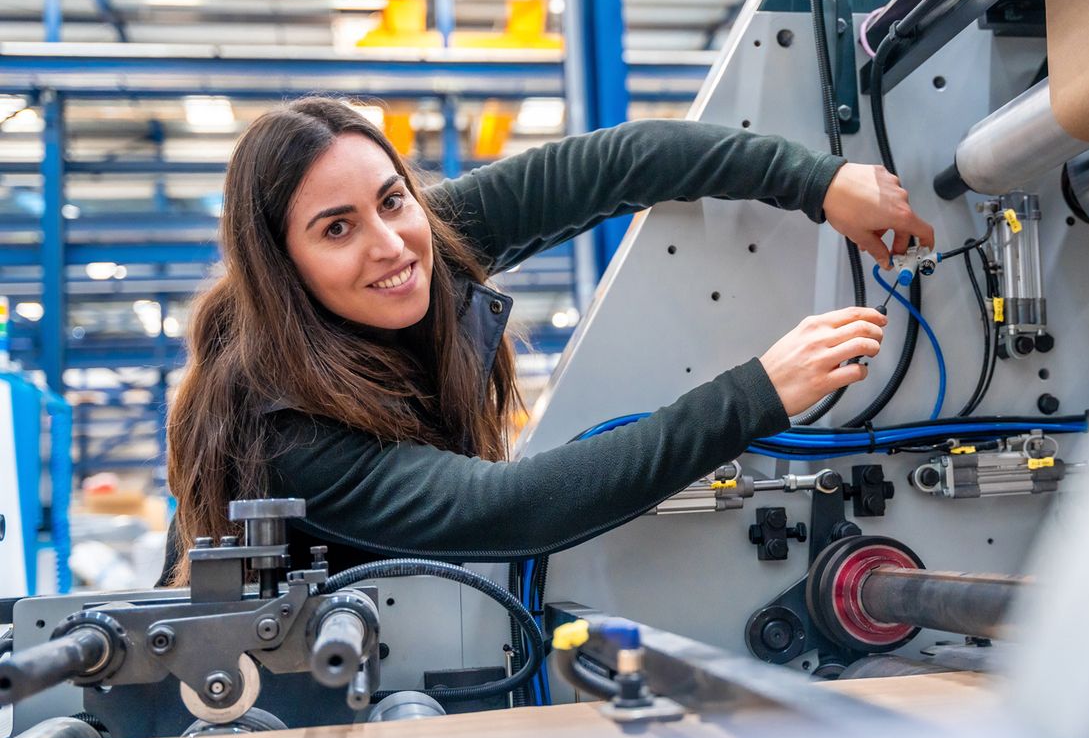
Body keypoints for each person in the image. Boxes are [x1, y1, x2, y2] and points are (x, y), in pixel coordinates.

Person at [159, 97, 934, 585]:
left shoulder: (424, 237)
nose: (391, 243)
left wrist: (815, 181)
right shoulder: (281, 432)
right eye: (336, 229)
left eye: (391, 199)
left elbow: (605, 164)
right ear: (280, 266)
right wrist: (756, 392)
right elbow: (514, 509)